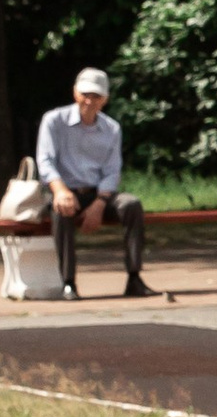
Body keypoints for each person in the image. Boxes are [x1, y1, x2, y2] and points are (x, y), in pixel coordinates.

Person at [34, 68, 146, 295]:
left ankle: (134, 278)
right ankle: (68, 282)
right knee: (62, 209)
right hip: (64, 190)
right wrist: (60, 190)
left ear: (104, 99)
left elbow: (112, 170)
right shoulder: (54, 120)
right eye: (85, 94)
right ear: (75, 93)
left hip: (98, 194)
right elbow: (45, 160)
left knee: (131, 204)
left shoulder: (112, 128)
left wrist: (100, 203)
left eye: (96, 96)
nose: (89, 101)